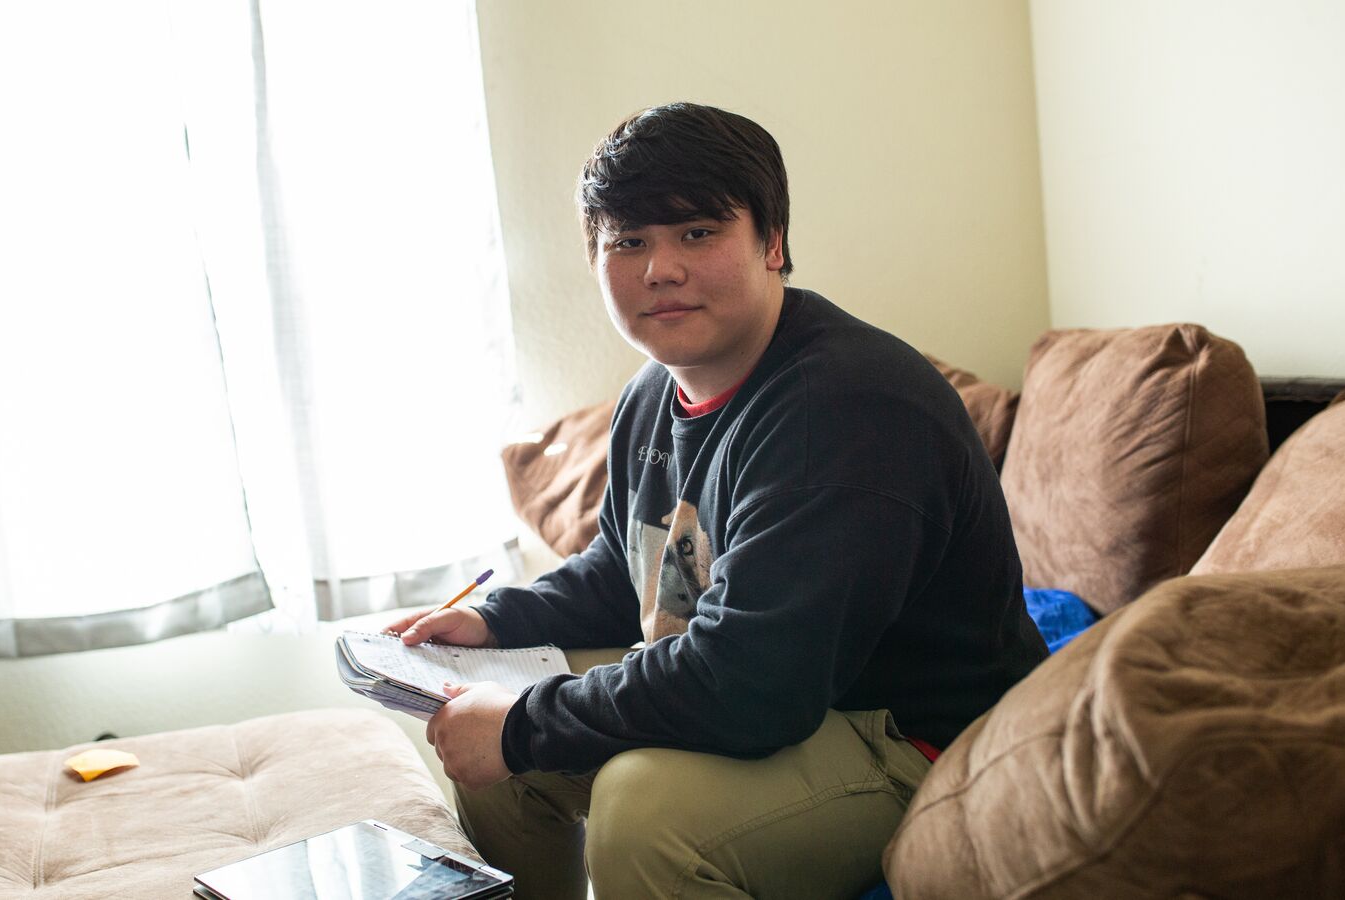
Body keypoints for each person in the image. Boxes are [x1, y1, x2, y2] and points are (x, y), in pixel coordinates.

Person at [388, 101, 1049, 899]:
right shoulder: (649, 395)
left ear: (773, 244)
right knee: (496, 748)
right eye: (627, 241)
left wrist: (527, 725)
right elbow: (629, 569)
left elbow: (752, 684)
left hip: (925, 741)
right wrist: (498, 621)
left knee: (641, 807)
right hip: (792, 696)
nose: (659, 269)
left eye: (697, 233)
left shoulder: (844, 407)